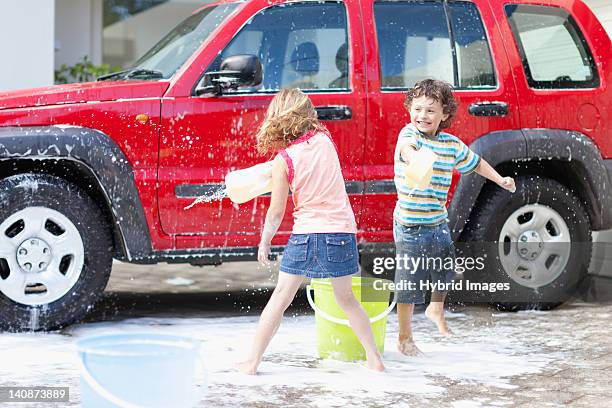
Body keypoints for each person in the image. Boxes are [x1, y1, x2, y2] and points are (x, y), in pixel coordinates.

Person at [237, 88, 385, 374]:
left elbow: (277, 211)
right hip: (341, 233)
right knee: (347, 299)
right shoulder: (325, 140)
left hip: (307, 233)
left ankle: (252, 362)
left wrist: (264, 241)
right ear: (308, 116)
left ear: (277, 120)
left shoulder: (284, 160)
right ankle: (374, 358)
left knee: (281, 297)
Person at [393, 79, 516, 356]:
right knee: (409, 281)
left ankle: (436, 309)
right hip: (410, 223)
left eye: (430, 111)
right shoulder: (409, 135)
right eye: (418, 109)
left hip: (437, 219)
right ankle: (404, 338)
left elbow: (476, 163)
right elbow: (406, 148)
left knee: (446, 271)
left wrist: (500, 179)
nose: (422, 116)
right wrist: (415, 160)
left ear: (444, 115)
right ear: (409, 110)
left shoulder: (450, 145)